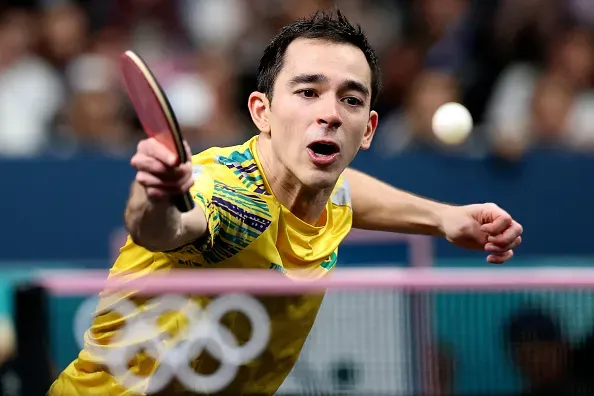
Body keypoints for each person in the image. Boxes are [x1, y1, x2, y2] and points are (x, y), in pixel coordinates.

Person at [49, 9, 523, 395]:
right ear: (263, 112)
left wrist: (444, 218)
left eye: (351, 100)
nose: (330, 114)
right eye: (308, 92)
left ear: (370, 130)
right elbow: (165, 227)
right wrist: (153, 195)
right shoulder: (230, 196)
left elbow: (347, 192)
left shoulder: (317, 183)